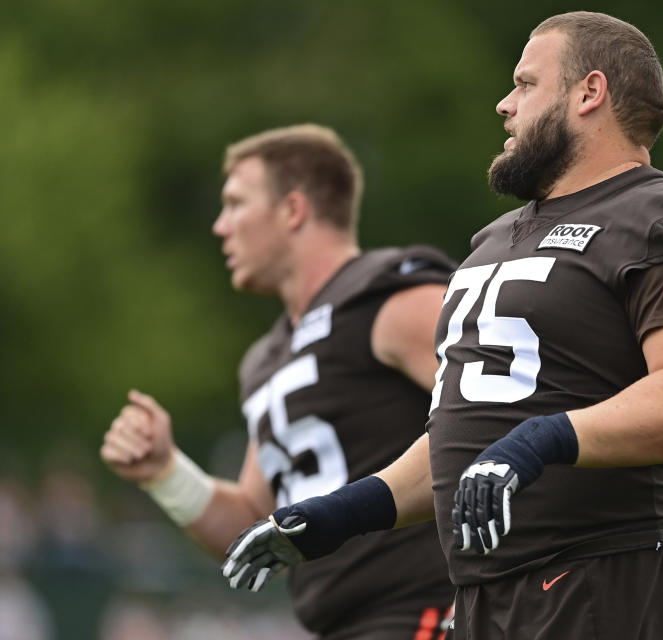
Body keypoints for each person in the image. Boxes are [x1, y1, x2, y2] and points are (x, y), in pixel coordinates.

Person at [222, 12, 663, 639]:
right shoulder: (493, 241)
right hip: (483, 600)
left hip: (604, 581)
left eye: (526, 84)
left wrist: (539, 442)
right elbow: (465, 445)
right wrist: (338, 515)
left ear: (590, 92)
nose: (505, 105)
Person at [100, 124, 456, 640]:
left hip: (424, 608)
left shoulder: (386, 298)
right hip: (340, 625)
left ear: (292, 210)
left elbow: (493, 411)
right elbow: (256, 522)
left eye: (236, 204)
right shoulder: (267, 358)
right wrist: (165, 471)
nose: (221, 226)